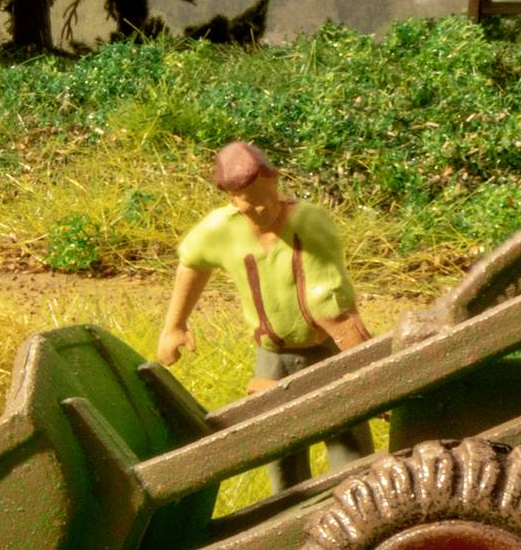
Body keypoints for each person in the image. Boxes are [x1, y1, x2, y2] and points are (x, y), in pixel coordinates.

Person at [154, 141, 376, 488]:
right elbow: (191, 264)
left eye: (264, 195)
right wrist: (174, 326)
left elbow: (333, 301)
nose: (259, 208)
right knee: (279, 442)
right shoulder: (221, 230)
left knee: (346, 433)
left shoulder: (310, 222)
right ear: (230, 198)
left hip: (324, 350)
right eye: (246, 200)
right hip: (272, 356)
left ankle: (358, 497)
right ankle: (287, 512)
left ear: (276, 183)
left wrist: (360, 354)